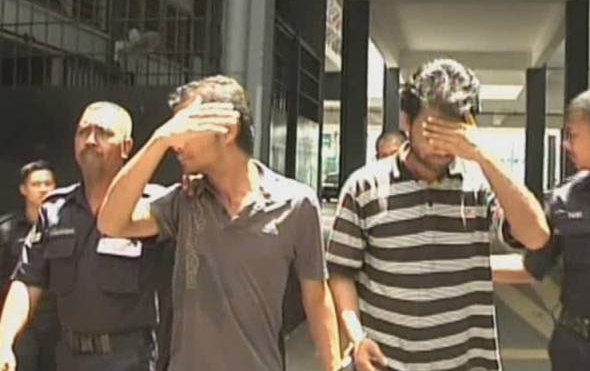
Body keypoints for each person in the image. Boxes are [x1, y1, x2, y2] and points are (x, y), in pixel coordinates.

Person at [97, 75, 341, 371]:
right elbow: (111, 223)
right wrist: (158, 141)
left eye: (186, 127)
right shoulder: (185, 200)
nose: (176, 141)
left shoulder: (297, 204)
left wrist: (333, 366)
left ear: (228, 130)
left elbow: (316, 298)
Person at [326, 59, 550, 371]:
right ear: (407, 121)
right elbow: (341, 272)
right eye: (432, 130)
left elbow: (536, 236)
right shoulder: (364, 187)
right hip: (385, 363)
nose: (442, 146)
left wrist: (485, 156)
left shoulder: (479, 183)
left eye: (452, 132)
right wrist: (357, 338)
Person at [0, 102, 166, 371]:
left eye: (103, 132)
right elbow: (27, 281)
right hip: (70, 357)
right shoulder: (55, 210)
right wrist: (4, 341)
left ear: (126, 147)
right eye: (83, 132)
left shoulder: (154, 205)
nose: (90, 140)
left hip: (130, 358)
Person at [499, 89, 590, 371]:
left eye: (573, 135)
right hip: (576, 347)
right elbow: (534, 264)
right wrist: (467, 264)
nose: (566, 144)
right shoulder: (565, 198)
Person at [0, 161, 60, 371]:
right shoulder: (7, 230)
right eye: (36, 184)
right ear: (23, 189)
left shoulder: (68, 225)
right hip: (20, 324)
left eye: (48, 183)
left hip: (58, 322)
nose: (43, 189)